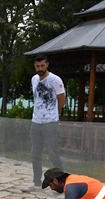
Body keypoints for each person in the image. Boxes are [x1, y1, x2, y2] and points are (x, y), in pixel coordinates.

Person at [29, 54, 65, 190]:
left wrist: (56, 115)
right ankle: (37, 183)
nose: (40, 68)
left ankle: (61, 182)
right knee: (35, 153)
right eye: (37, 66)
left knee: (52, 153)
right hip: (36, 121)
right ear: (35, 66)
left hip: (50, 122)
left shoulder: (55, 80)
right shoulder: (34, 79)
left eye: (42, 65)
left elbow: (61, 99)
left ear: (47, 65)